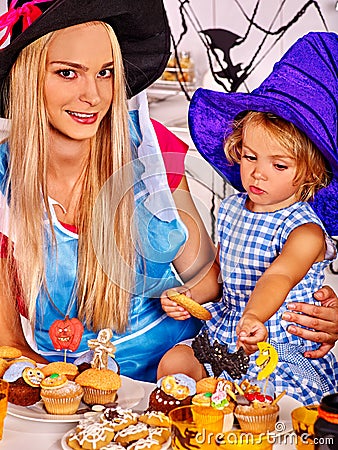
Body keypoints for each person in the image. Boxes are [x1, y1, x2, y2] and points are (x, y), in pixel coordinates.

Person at [0, 1, 336, 385]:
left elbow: (214, 281)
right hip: (73, 384)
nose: (92, 95)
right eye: (67, 73)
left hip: (183, 372)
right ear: (26, 76)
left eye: (106, 72)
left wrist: (307, 306)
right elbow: (8, 343)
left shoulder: (151, 148)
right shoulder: (3, 178)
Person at [158, 32, 338, 403]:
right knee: (175, 362)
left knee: (263, 403)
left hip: (275, 342)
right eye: (251, 156)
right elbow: (219, 272)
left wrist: (254, 316)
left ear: (310, 173)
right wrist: (188, 296)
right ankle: (195, 425)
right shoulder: (233, 209)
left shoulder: (305, 232)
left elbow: (279, 275)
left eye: (279, 164)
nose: (258, 173)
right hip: (226, 333)